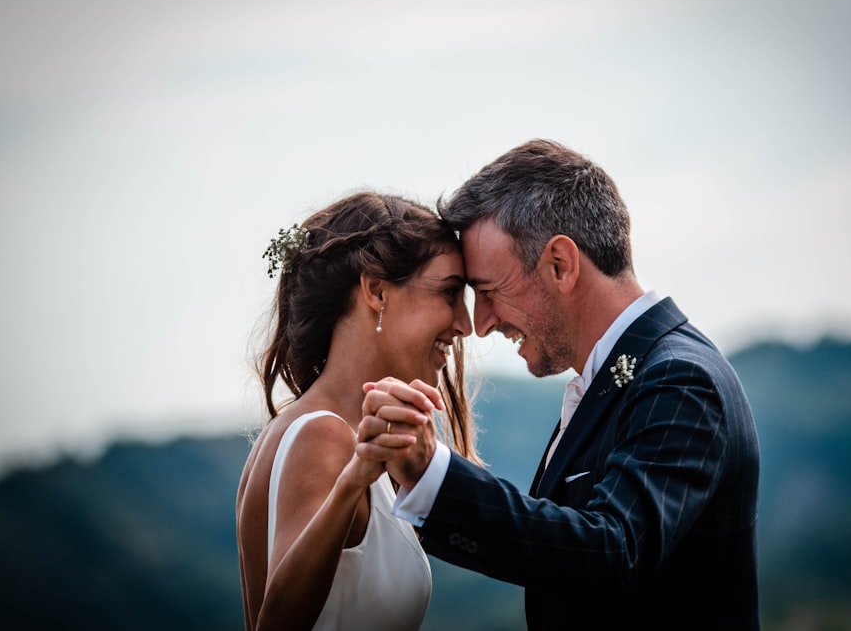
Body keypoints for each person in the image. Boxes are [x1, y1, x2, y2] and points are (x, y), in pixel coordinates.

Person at [358, 140, 761, 629]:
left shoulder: (680, 378)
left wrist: (432, 473)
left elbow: (611, 552)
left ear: (560, 265)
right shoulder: (617, 377)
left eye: (488, 291)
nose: (480, 324)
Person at [236, 190, 479, 630]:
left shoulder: (321, 429)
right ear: (376, 291)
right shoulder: (324, 437)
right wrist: (351, 483)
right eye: (449, 293)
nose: (466, 324)